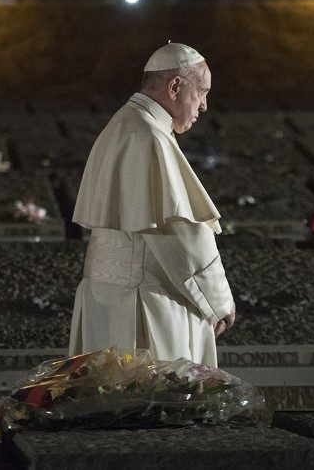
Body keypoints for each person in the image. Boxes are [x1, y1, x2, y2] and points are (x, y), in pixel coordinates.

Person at [68, 42, 236, 367]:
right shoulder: (150, 136)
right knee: (149, 392)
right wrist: (219, 300)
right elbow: (180, 235)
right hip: (145, 302)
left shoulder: (125, 123)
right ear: (175, 87)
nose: (204, 106)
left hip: (107, 299)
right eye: (201, 92)